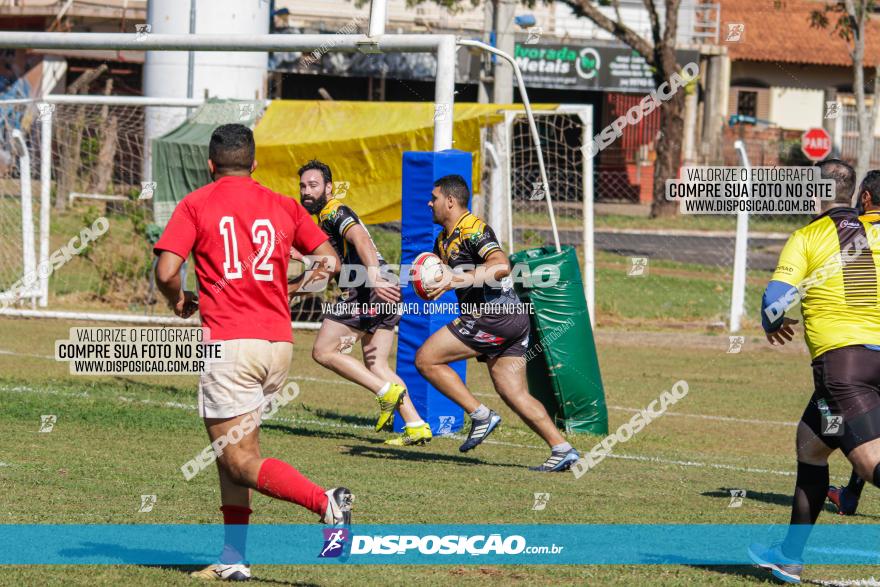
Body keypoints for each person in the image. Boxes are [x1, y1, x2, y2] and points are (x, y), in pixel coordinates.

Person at [154, 124, 351, 582]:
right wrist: (290, 286)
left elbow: (166, 270)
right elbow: (330, 261)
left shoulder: (197, 202)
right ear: (255, 164)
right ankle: (233, 558)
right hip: (277, 345)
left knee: (239, 461)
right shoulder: (282, 204)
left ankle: (326, 502)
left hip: (231, 345)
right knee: (234, 457)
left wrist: (178, 300)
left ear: (210, 164)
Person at [749, 163, 880, 584]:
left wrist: (773, 321)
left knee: (870, 466)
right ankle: (788, 557)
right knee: (811, 445)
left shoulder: (808, 236)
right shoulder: (869, 234)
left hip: (844, 366)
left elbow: (775, 299)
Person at [414, 174, 580, 472]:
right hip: (510, 319)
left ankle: (479, 415)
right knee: (512, 391)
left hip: (494, 315)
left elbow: (501, 266)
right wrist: (433, 284)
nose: (430, 202)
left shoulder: (474, 229)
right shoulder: (443, 239)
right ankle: (563, 449)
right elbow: (442, 278)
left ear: (450, 201)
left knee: (426, 360)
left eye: (434, 197)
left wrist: (456, 279)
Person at [295, 160, 433, 446]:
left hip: (370, 290)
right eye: (303, 186)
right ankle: (416, 424)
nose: (306, 192)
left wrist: (374, 277)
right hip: (383, 287)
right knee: (377, 364)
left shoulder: (335, 211)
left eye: (313, 185)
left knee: (323, 351)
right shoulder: (323, 218)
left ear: (329, 188)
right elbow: (332, 268)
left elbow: (360, 238)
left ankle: (385, 392)